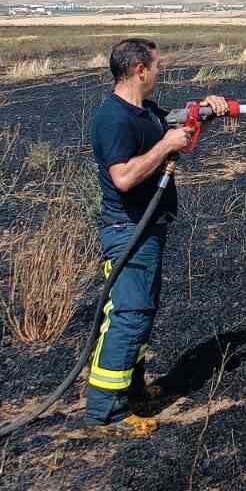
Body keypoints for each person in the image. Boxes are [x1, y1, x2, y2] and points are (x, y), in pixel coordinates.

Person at [84, 38, 229, 437]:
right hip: (128, 231)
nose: (161, 71)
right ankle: (104, 413)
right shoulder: (114, 118)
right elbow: (124, 177)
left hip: (148, 229)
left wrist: (206, 109)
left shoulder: (145, 110)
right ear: (139, 70)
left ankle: (131, 391)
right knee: (129, 314)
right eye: (158, 65)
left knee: (141, 312)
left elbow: (176, 128)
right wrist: (165, 144)